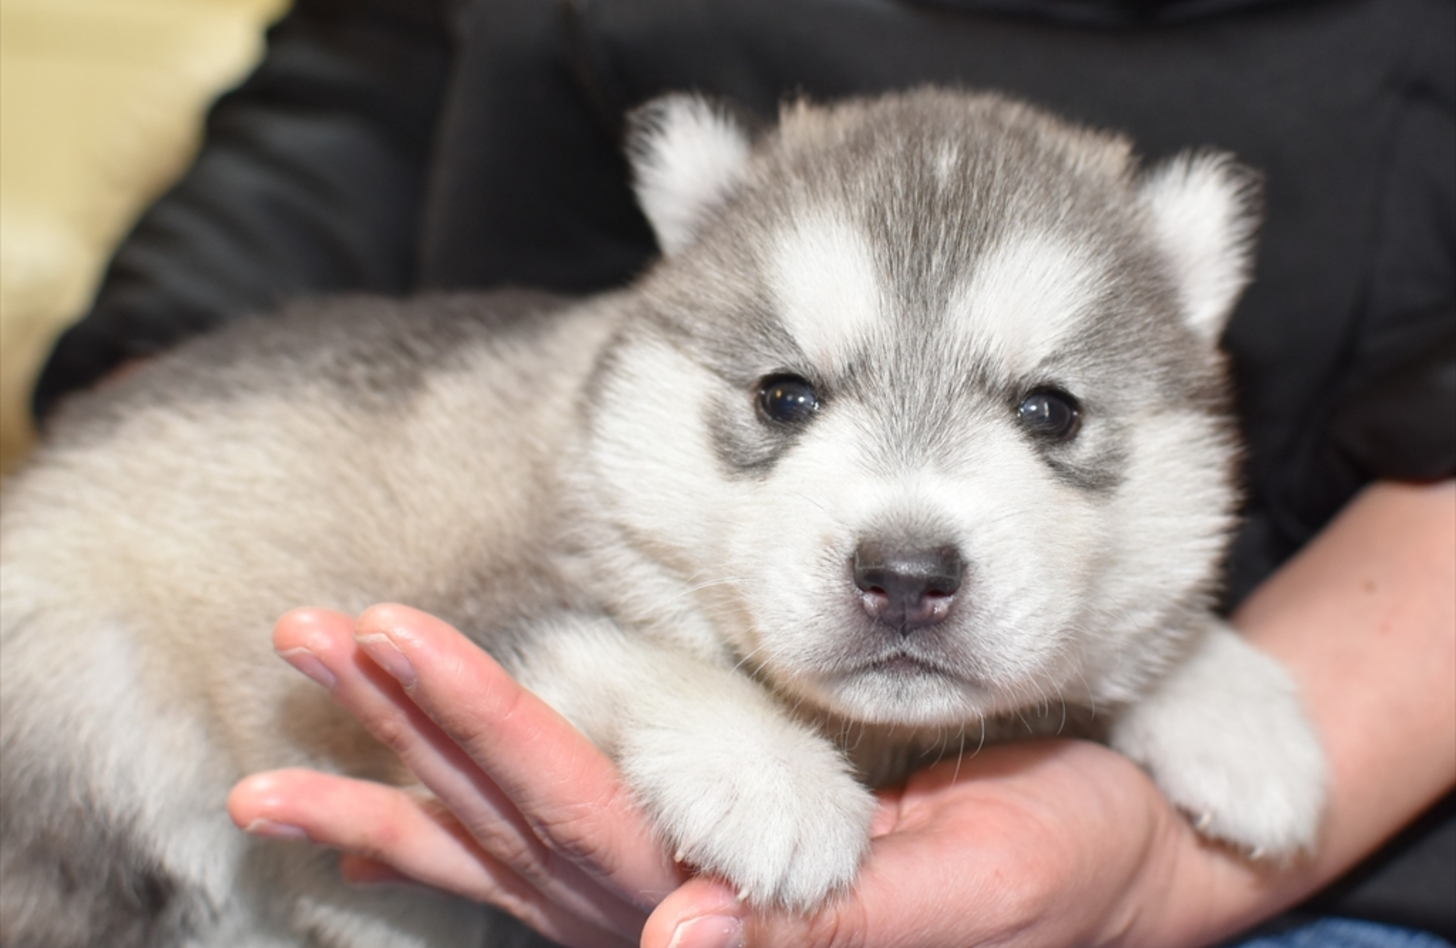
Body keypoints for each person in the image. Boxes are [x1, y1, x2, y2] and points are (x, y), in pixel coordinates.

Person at [32, 0, 1455, 944]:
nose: (905, 543)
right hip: (144, 781)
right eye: (788, 396)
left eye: (1047, 411)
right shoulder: (622, 457)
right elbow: (368, 75)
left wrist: (1157, 821)